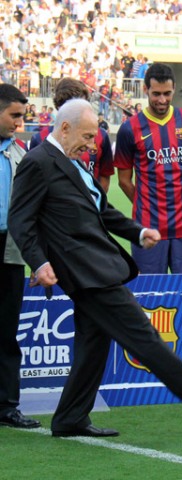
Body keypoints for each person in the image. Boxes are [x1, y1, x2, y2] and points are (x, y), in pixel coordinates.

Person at [8, 99, 182, 438]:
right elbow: (20, 220)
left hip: (97, 266)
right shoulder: (37, 163)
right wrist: (39, 262)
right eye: (86, 136)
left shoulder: (75, 163)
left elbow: (102, 209)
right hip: (85, 271)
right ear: (65, 128)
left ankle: (70, 418)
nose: (91, 144)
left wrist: (139, 231)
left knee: (93, 343)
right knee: (140, 330)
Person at [114, 63, 182, 274]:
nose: (162, 100)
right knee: (150, 291)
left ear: (174, 89)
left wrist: (181, 194)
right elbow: (124, 180)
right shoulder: (130, 129)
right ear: (146, 90)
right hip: (148, 225)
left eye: (167, 93)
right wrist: (146, 203)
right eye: (156, 94)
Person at [0, 84, 41, 430]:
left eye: (21, 115)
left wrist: (37, 257)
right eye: (14, 115)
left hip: (10, 251)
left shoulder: (19, 153)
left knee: (6, 331)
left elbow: (31, 211)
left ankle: (7, 407)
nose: (19, 122)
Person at [29, 77, 113, 192]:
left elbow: (105, 175)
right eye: (73, 105)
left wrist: (95, 204)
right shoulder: (39, 139)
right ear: (59, 106)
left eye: (82, 104)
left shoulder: (101, 136)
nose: (79, 110)